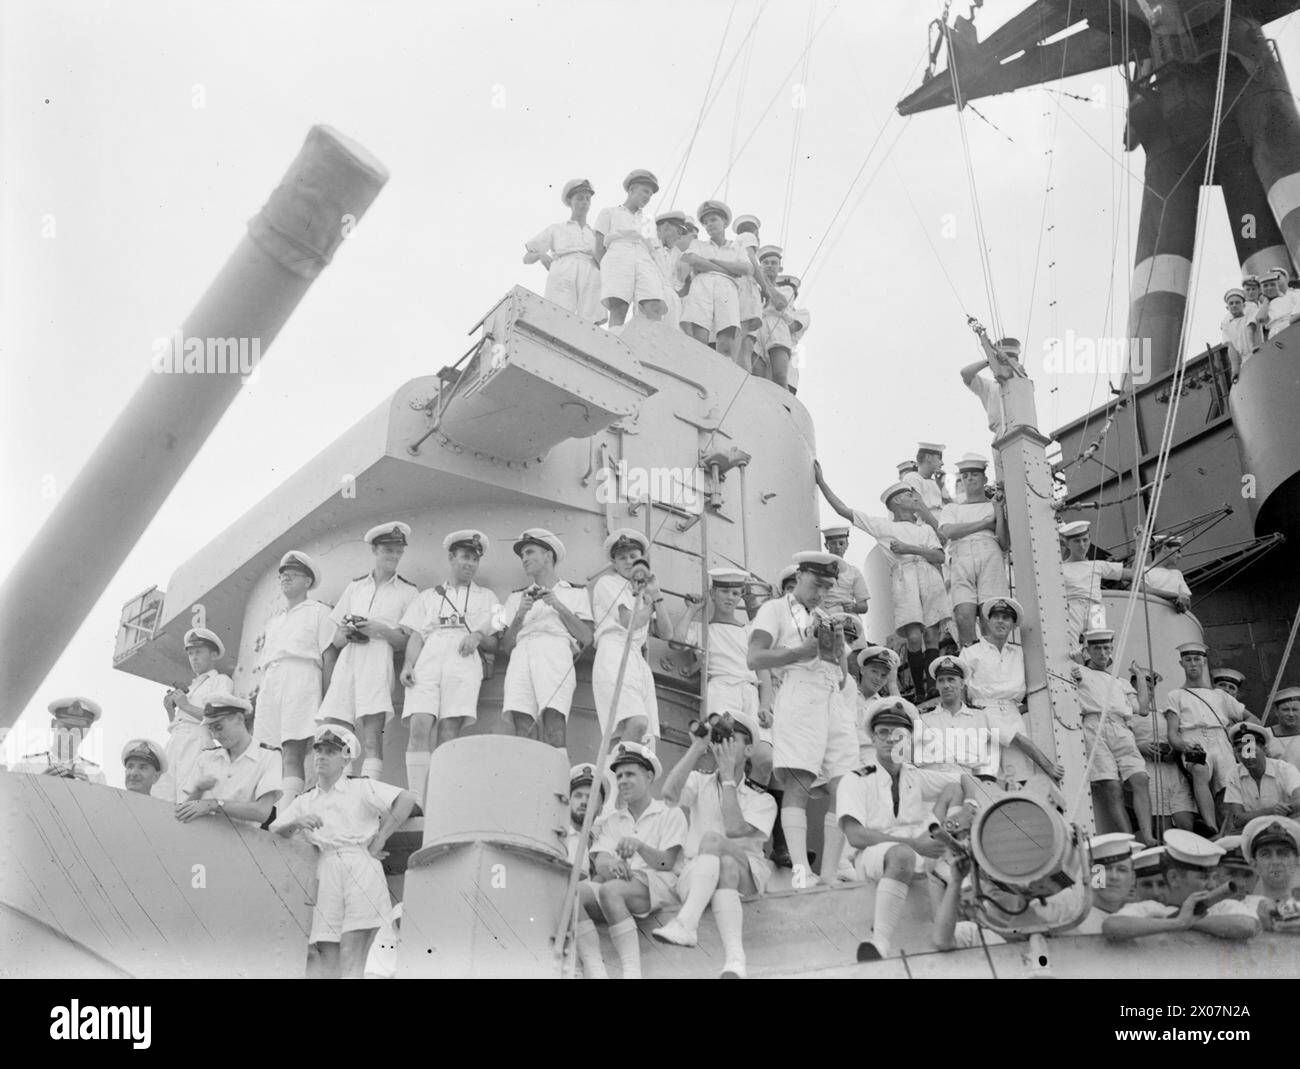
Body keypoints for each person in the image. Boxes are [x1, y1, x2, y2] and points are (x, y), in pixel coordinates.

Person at [748, 550, 859, 888]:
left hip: (832, 700)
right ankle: (800, 872)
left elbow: (841, 677)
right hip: (797, 694)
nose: (820, 593)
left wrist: (838, 651)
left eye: (827, 587)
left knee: (847, 786)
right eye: (816, 584)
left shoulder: (825, 617)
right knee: (797, 783)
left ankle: (828, 872)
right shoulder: (774, 609)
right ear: (798, 578)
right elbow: (754, 657)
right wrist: (799, 652)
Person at [271, 724, 417, 979]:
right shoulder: (305, 801)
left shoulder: (361, 788)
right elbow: (274, 831)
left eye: (329, 751)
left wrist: (381, 837)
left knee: (354, 947)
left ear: (345, 758)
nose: (321, 756)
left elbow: (406, 799)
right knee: (326, 948)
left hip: (359, 863)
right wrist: (297, 823)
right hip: (325, 868)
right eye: (318, 751)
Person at [837, 697, 975, 959]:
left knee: (953, 791)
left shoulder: (914, 776)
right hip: (873, 855)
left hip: (917, 851)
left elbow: (964, 779)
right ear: (874, 738)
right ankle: (879, 942)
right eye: (883, 733)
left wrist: (968, 805)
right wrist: (916, 845)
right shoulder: (855, 778)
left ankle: (947, 867)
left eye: (899, 734)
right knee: (903, 854)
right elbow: (855, 836)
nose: (891, 739)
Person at [652, 712, 777, 978]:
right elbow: (669, 795)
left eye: (732, 740)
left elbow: (733, 829)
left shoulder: (762, 800)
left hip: (748, 876)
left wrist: (729, 778)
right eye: (720, 740)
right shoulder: (700, 781)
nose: (723, 747)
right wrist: (697, 748)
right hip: (699, 874)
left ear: (749, 750)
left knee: (714, 843)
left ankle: (686, 923)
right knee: (726, 866)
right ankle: (735, 959)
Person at [817, 463, 951, 701]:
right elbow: (845, 511)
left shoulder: (926, 530)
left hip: (929, 578)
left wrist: (910, 548)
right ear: (897, 501)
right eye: (910, 495)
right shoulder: (884, 526)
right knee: (913, 638)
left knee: (931, 635)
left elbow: (939, 556)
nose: (916, 498)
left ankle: (931, 687)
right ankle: (919, 689)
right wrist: (822, 482)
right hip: (905, 578)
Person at [399, 530, 500, 805]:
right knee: (420, 723)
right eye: (465, 557)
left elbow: (496, 636)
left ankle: (441, 798)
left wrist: (478, 636)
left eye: (475, 559)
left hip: (463, 657)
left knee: (449, 728)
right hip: (430, 655)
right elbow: (417, 635)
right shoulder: (429, 596)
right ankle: (417, 799)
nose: (470, 564)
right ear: (451, 557)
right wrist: (409, 664)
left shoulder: (487, 597)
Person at [576, 742, 687, 980]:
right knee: (574, 894)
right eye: (619, 776)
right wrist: (610, 866)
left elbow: (667, 862)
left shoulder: (669, 813)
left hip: (659, 886)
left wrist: (639, 846)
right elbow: (602, 858)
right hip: (621, 887)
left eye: (630, 774)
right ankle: (596, 972)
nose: (623, 780)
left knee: (610, 890)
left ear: (648, 776)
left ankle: (631, 974)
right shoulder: (613, 821)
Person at [318, 522, 419, 779]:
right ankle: (340, 796)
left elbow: (407, 642)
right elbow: (336, 640)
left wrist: (379, 629)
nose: (393, 557)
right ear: (375, 550)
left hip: (377, 659)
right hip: (350, 658)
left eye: (398, 552)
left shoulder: (408, 592)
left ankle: (368, 794)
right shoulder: (355, 587)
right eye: (388, 550)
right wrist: (347, 631)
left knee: (372, 735)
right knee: (339, 733)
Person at [495, 528, 593, 750]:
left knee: (554, 723)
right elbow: (505, 645)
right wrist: (520, 615)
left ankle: (554, 783)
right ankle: (524, 782)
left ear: (548, 555)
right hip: (521, 654)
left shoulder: (576, 592)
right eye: (523, 556)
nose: (525, 559)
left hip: (555, 650)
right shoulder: (514, 597)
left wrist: (557, 605)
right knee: (523, 726)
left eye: (530, 552)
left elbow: (587, 637)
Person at [673, 567, 773, 783]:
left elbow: (763, 673)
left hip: (749, 692)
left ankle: (753, 808)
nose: (730, 598)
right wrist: (692, 610)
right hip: (722, 690)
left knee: (764, 758)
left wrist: (765, 705)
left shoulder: (749, 632)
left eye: (736, 593)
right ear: (713, 593)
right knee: (725, 755)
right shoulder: (704, 630)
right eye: (724, 592)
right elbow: (677, 641)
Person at [253, 550, 336, 808]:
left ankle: (286, 809)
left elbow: (328, 656)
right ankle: (270, 808)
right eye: (283, 576)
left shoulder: (319, 612)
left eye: (293, 575)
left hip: (301, 678)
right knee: (268, 752)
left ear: (308, 582)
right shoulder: (274, 621)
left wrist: (327, 702)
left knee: (292, 749)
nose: (285, 579)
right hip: (272, 682)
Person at [963, 597, 1063, 790]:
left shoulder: (1019, 654)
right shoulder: (971, 652)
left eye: (1006, 618)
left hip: (1012, 711)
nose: (1000, 621)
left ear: (1013, 625)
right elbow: (962, 689)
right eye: (996, 617)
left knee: (1018, 775)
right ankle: (1048, 765)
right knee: (989, 773)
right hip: (983, 711)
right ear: (988, 621)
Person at [1162, 640, 1257, 833]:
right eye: (1188, 660)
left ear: (1204, 662)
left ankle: (1227, 830)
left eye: (1197, 659)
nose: (1193, 664)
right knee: (1199, 770)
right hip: (1193, 740)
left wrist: (1238, 738)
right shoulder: (1176, 695)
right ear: (1182, 664)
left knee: (1227, 787)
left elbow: (1254, 720)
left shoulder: (1220, 696)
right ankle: (1211, 826)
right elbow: (1172, 733)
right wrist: (1184, 746)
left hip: (1221, 741)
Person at [1073, 628, 1156, 845]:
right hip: (1094, 726)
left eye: (1107, 648)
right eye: (1097, 648)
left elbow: (1143, 709)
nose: (1102, 653)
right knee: (1112, 786)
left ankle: (1147, 836)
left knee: (1140, 778)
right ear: (1088, 650)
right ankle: (1129, 840)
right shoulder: (1080, 671)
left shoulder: (1120, 682)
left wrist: (1138, 675)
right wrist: (1074, 662)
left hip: (1121, 727)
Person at [1102, 830, 1261, 941]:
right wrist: (1175, 923)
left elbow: (1248, 926)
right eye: (1203, 877)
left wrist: (1189, 922)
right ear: (1173, 878)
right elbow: (1112, 927)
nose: (1212, 884)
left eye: (1214, 877)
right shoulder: (1150, 909)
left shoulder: (1224, 906)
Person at [590, 529, 670, 746]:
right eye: (622, 558)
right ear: (614, 563)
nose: (628, 562)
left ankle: (618, 774)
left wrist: (656, 595)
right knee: (636, 723)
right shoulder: (608, 583)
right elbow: (629, 621)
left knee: (648, 740)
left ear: (641, 560)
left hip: (637, 659)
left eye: (633, 557)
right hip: (614, 651)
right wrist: (651, 603)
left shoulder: (644, 590)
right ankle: (616, 775)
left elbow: (666, 633)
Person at [176, 694, 282, 826]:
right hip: (201, 836)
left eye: (219, 727)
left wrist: (213, 804)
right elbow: (183, 812)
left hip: (242, 843)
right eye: (211, 729)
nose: (215, 736)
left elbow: (262, 812)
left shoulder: (269, 757)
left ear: (239, 718)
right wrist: (198, 790)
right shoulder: (206, 758)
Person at [154, 627, 233, 802]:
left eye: (198, 652)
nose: (194, 658)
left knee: (186, 796)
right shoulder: (194, 685)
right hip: (176, 742)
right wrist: (170, 710)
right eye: (190, 654)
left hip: (197, 742)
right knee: (161, 795)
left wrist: (186, 705)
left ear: (213, 655)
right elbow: (179, 725)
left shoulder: (220, 681)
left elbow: (219, 716)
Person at [938, 455, 1009, 646]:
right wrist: (986, 523)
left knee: (991, 619)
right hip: (962, 559)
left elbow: (1004, 543)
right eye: (965, 475)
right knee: (963, 617)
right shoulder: (952, 509)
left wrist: (999, 513)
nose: (970, 479)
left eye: (975, 474)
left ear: (984, 479)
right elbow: (950, 531)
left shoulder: (993, 505)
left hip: (990, 556)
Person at [523, 177, 603, 323]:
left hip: (590, 272)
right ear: (570, 202)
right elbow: (526, 258)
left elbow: (604, 264)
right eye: (579, 198)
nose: (584, 202)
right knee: (558, 316)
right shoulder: (557, 229)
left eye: (587, 199)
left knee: (590, 322)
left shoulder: (595, 235)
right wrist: (541, 255)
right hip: (564, 270)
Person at [1129, 664, 1197, 834]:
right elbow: (1119, 744)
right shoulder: (1126, 715)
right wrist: (1140, 746)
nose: (1148, 693)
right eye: (1144, 688)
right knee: (1162, 827)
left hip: (1172, 769)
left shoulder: (1163, 714)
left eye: (1151, 689)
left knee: (1185, 822)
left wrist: (1173, 751)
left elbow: (1177, 736)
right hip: (1148, 769)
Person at [593, 169, 664, 331]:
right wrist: (606, 269)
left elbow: (653, 250)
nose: (647, 197)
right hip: (618, 255)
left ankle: (651, 346)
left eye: (651, 195)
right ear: (631, 190)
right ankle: (614, 344)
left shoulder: (646, 221)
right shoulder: (609, 212)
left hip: (643, 258)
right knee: (619, 306)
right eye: (645, 191)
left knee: (653, 303)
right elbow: (598, 246)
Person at [680, 200, 750, 364]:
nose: (709, 225)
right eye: (706, 222)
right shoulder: (697, 244)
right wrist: (729, 271)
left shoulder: (737, 247)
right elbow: (693, 260)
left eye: (713, 220)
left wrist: (712, 262)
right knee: (699, 338)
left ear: (724, 222)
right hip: (702, 285)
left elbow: (747, 269)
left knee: (726, 342)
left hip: (727, 290)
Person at [916, 656, 997, 778]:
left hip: (969, 780)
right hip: (932, 779)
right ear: (936, 685)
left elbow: (992, 759)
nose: (946, 685)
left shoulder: (980, 717)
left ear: (962, 683)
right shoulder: (923, 718)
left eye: (951, 679)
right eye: (941, 680)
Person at [1058, 521, 1130, 647]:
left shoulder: (1098, 565)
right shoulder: (1059, 568)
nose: (1082, 545)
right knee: (1071, 648)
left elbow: (1133, 574)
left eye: (1085, 540)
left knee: (1100, 647)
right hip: (1073, 607)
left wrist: (1140, 544)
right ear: (1067, 543)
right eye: (1077, 541)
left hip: (1095, 608)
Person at [1220, 721, 1300, 832]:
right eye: (1240, 751)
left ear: (1265, 749)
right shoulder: (1234, 774)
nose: (1246, 756)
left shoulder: (1285, 769)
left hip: (1286, 829)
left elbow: (1298, 800)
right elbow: (1237, 819)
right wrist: (1271, 811)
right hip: (1253, 832)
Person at [15, 697, 106, 784]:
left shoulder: (96, 776)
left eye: (77, 731)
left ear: (86, 733)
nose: (70, 735)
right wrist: (39, 785)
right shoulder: (26, 766)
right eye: (66, 728)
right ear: (53, 724)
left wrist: (89, 790)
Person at [1240, 816, 1300, 930]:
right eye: (1265, 854)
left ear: (1297, 861)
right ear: (1254, 864)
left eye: (1283, 854)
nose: (1275, 862)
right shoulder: (1242, 907)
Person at [731, 214, 765, 371]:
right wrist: (767, 288)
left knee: (745, 343)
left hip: (739, 286)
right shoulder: (748, 236)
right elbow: (752, 260)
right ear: (755, 232)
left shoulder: (735, 244)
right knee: (741, 332)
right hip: (745, 287)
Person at [753, 245, 792, 384]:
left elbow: (780, 303)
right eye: (765, 263)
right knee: (758, 374)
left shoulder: (786, 289)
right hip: (757, 327)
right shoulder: (753, 287)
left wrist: (764, 281)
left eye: (774, 263)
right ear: (760, 266)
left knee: (780, 375)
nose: (769, 266)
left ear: (780, 268)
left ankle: (785, 406)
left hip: (777, 327)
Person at [649, 209, 691, 330]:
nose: (679, 237)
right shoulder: (648, 245)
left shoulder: (678, 254)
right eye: (678, 231)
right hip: (651, 297)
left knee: (670, 341)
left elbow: (683, 282)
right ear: (666, 226)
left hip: (672, 302)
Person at [565, 762, 609, 867]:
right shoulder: (558, 839)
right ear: (568, 802)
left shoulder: (603, 844)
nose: (584, 801)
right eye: (578, 796)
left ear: (600, 809)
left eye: (591, 797)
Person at [820, 525, 870, 616]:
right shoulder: (818, 571)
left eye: (841, 543)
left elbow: (864, 606)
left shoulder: (854, 572)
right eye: (833, 543)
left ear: (847, 545)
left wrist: (854, 607)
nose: (838, 547)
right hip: (826, 619)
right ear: (826, 545)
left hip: (848, 619)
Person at [1134, 534, 1191, 613]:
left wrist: (1183, 601)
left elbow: (1186, 601)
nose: (1180, 556)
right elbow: (1145, 590)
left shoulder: (1177, 574)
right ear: (1164, 548)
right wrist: (1176, 595)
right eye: (1178, 551)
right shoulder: (1143, 570)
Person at [1221, 287, 1261, 379]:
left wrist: (1252, 348)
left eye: (1237, 302)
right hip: (1245, 360)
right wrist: (1235, 369)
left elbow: (1250, 328)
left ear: (1243, 305)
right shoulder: (1227, 326)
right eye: (1231, 303)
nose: (1234, 305)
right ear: (1227, 307)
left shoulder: (1251, 316)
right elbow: (1231, 347)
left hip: (1258, 353)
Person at [903, 443, 950, 511]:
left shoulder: (937, 482)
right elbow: (919, 508)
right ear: (928, 457)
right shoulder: (912, 478)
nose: (942, 463)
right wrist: (938, 522)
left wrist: (941, 486)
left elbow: (953, 508)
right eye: (939, 458)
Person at [1256, 267, 1300, 338]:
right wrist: (1267, 299)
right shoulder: (1264, 305)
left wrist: (1286, 324)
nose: (1269, 288)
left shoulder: (1292, 294)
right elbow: (1260, 318)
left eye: (1272, 285)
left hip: (1293, 328)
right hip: (1275, 335)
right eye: (1265, 286)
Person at [1269, 687, 1300, 772]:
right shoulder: (1264, 735)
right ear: (1276, 711)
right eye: (1285, 710)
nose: (1291, 714)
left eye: (1295, 710)